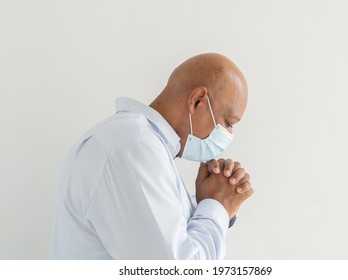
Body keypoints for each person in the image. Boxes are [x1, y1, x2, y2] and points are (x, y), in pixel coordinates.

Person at [50, 53, 254, 259]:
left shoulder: (141, 146)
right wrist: (216, 206)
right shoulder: (130, 148)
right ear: (198, 101)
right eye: (228, 122)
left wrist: (213, 200)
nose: (228, 135)